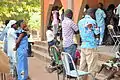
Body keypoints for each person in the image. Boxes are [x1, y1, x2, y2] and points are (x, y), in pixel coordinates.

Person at [78, 8, 100, 80]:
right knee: (92, 67)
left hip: (83, 45)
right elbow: (97, 33)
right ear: (92, 14)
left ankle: (81, 79)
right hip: (91, 46)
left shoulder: (80, 22)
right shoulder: (93, 21)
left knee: (82, 66)